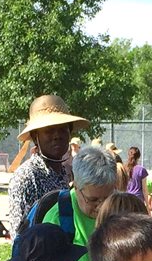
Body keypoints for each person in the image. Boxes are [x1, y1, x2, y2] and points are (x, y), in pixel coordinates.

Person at [30, 145, 118, 261]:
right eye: (93, 200)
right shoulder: (59, 219)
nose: (101, 206)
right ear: (76, 186)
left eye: (108, 197)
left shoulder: (122, 207)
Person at [7, 95, 90, 235]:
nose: (57, 136)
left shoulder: (64, 173)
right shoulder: (26, 177)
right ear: (35, 137)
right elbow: (20, 237)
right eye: (49, 130)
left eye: (63, 129)